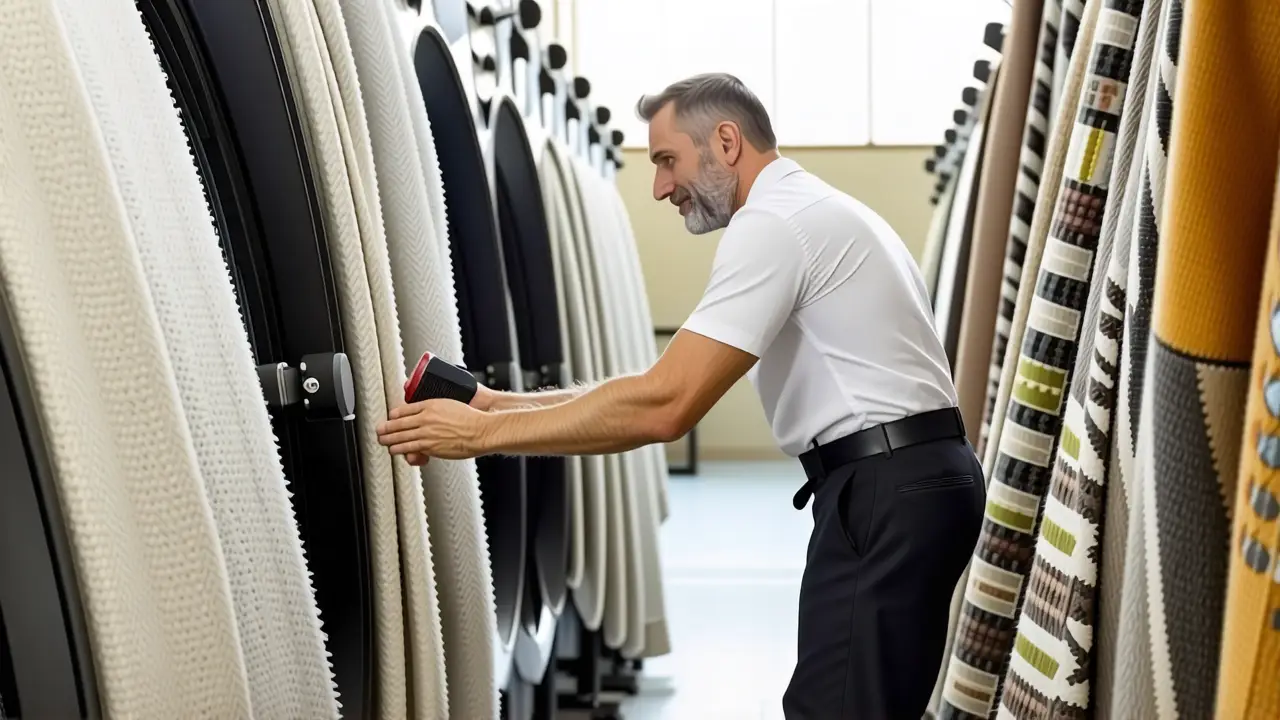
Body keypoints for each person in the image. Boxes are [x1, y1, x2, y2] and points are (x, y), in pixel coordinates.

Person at [376, 72, 985, 719]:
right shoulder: (814, 210)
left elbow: (666, 405)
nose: (660, 186)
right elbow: (652, 387)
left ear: (726, 141)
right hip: (904, 483)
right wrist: (497, 404)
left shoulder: (774, 227)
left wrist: (479, 437)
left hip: (887, 489)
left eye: (667, 160)